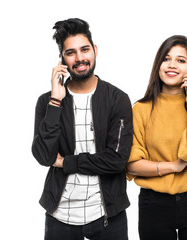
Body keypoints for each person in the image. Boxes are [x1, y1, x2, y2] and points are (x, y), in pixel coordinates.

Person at [32, 18, 133, 240]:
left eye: (85, 49)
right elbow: (43, 156)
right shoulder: (46, 102)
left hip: (108, 215)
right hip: (60, 215)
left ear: (95, 50)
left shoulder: (117, 99)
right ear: (62, 59)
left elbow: (117, 159)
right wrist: (55, 102)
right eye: (71, 53)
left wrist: (67, 162)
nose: (80, 58)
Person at [126, 35, 187, 240]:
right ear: (158, 64)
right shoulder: (141, 109)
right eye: (166, 59)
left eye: (181, 60)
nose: (172, 65)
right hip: (154, 204)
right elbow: (131, 165)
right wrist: (174, 166)